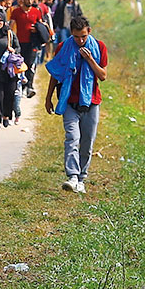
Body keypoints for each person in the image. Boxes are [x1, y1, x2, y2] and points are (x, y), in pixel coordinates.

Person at [44, 16, 108, 194]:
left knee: (87, 143)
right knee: (72, 138)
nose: (80, 41)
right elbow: (56, 73)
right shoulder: (63, 48)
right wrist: (48, 97)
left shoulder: (99, 47)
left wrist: (90, 60)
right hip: (70, 102)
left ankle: (82, 178)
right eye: (77, 37)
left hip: (91, 102)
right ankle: (72, 176)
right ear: (71, 33)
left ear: (89, 32)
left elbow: (102, 75)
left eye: (83, 37)